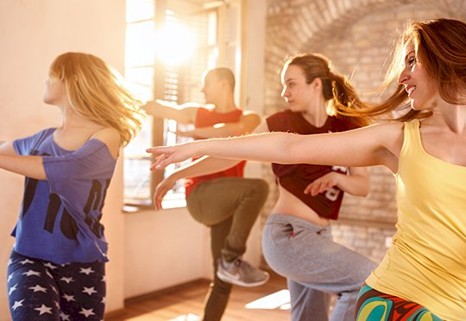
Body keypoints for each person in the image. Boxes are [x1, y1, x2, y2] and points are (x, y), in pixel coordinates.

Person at [147, 19, 466, 321]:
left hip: (456, 307)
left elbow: (359, 185)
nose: (402, 77)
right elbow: (287, 147)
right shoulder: (398, 137)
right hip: (385, 296)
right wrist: (195, 148)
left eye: (412, 61)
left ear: (447, 57)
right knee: (350, 286)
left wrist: (338, 178)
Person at [151, 53, 377, 321]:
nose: (284, 92)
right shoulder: (280, 123)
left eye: (291, 84)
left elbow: (362, 185)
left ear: (316, 84)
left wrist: (339, 179)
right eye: (284, 85)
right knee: (367, 282)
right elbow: (230, 153)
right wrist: (178, 174)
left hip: (320, 237)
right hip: (288, 235)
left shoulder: (344, 127)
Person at [2, 52, 144, 321]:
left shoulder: (105, 135)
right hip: (29, 257)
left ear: (73, 80)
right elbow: (4, 152)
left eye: (52, 75)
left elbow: (67, 170)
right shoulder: (40, 139)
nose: (45, 81)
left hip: (83, 265)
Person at [143, 67, 270, 321]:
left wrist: (194, 136)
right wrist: (135, 101)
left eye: (207, 84)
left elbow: (232, 130)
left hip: (229, 204)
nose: (202, 90)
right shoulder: (196, 112)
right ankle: (232, 257)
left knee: (222, 278)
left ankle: (227, 268)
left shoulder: (250, 118)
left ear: (224, 84)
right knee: (258, 187)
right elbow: (162, 109)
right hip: (201, 196)